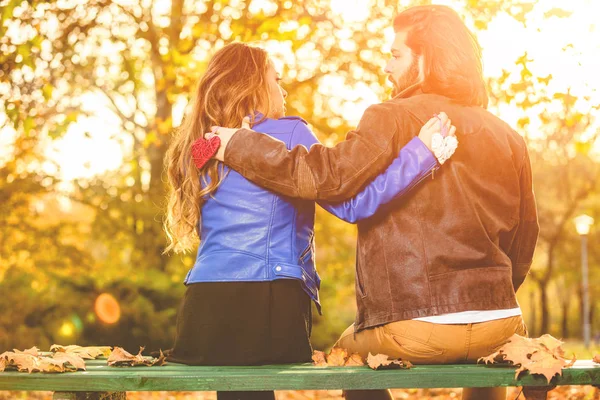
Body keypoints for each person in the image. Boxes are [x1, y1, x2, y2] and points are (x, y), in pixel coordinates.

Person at [206, 5, 539, 400]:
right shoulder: (508, 137)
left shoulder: (389, 117)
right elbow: (524, 241)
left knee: (347, 353)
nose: (386, 66)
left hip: (415, 327)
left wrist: (239, 144)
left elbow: (328, 176)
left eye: (395, 55)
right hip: (500, 322)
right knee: (489, 350)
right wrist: (486, 300)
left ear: (426, 58)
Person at [162, 42, 457, 400]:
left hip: (202, 311)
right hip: (266, 302)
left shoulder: (197, 147)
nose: (283, 90)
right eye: (277, 79)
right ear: (254, 85)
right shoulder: (288, 133)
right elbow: (353, 204)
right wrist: (421, 154)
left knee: (239, 393)